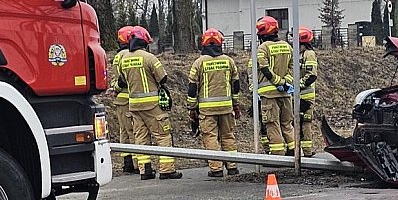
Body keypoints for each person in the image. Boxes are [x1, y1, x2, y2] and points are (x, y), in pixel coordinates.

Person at [118, 26, 182, 180]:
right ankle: (167, 170)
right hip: (153, 106)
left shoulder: (123, 59)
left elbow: (121, 82)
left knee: (140, 138)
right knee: (163, 135)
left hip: (134, 105)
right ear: (145, 41)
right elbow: (163, 78)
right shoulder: (149, 58)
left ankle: (145, 171)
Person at [187, 29, 242, 177]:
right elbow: (236, 85)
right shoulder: (229, 61)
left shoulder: (199, 63)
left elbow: (192, 88)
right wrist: (236, 105)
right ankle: (232, 166)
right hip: (226, 107)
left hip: (206, 110)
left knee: (210, 137)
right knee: (228, 136)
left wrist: (192, 108)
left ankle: (216, 168)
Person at [254, 16, 296, 156]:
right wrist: (286, 82)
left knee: (273, 124)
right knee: (287, 124)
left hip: (269, 95)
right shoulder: (287, 46)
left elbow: (264, 68)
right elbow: (293, 67)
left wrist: (278, 81)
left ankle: (277, 155)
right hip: (285, 93)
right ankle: (295, 151)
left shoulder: (263, 47)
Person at [111, 25, 138, 173]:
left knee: (124, 132)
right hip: (129, 98)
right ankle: (137, 164)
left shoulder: (117, 57)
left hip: (120, 100)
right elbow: (125, 79)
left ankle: (127, 163)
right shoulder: (128, 55)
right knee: (133, 132)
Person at [298, 27, 319, 157]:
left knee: (305, 123)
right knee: (298, 123)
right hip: (299, 95)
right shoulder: (301, 54)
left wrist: (297, 85)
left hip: (306, 96)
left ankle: (307, 152)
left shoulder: (309, 54)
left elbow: (312, 75)